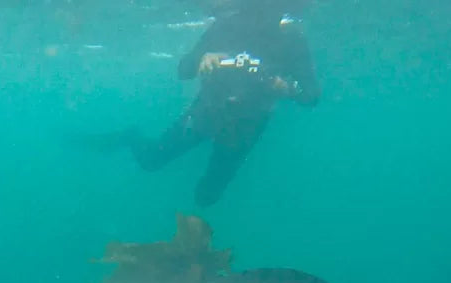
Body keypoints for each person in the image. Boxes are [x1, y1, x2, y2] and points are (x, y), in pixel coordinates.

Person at [81, 1, 321, 207]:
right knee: (151, 160)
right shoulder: (226, 28)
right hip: (207, 112)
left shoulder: (292, 41)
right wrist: (201, 58)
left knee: (207, 196)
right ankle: (130, 136)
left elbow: (311, 96)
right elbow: (183, 70)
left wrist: (284, 86)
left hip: (245, 126)